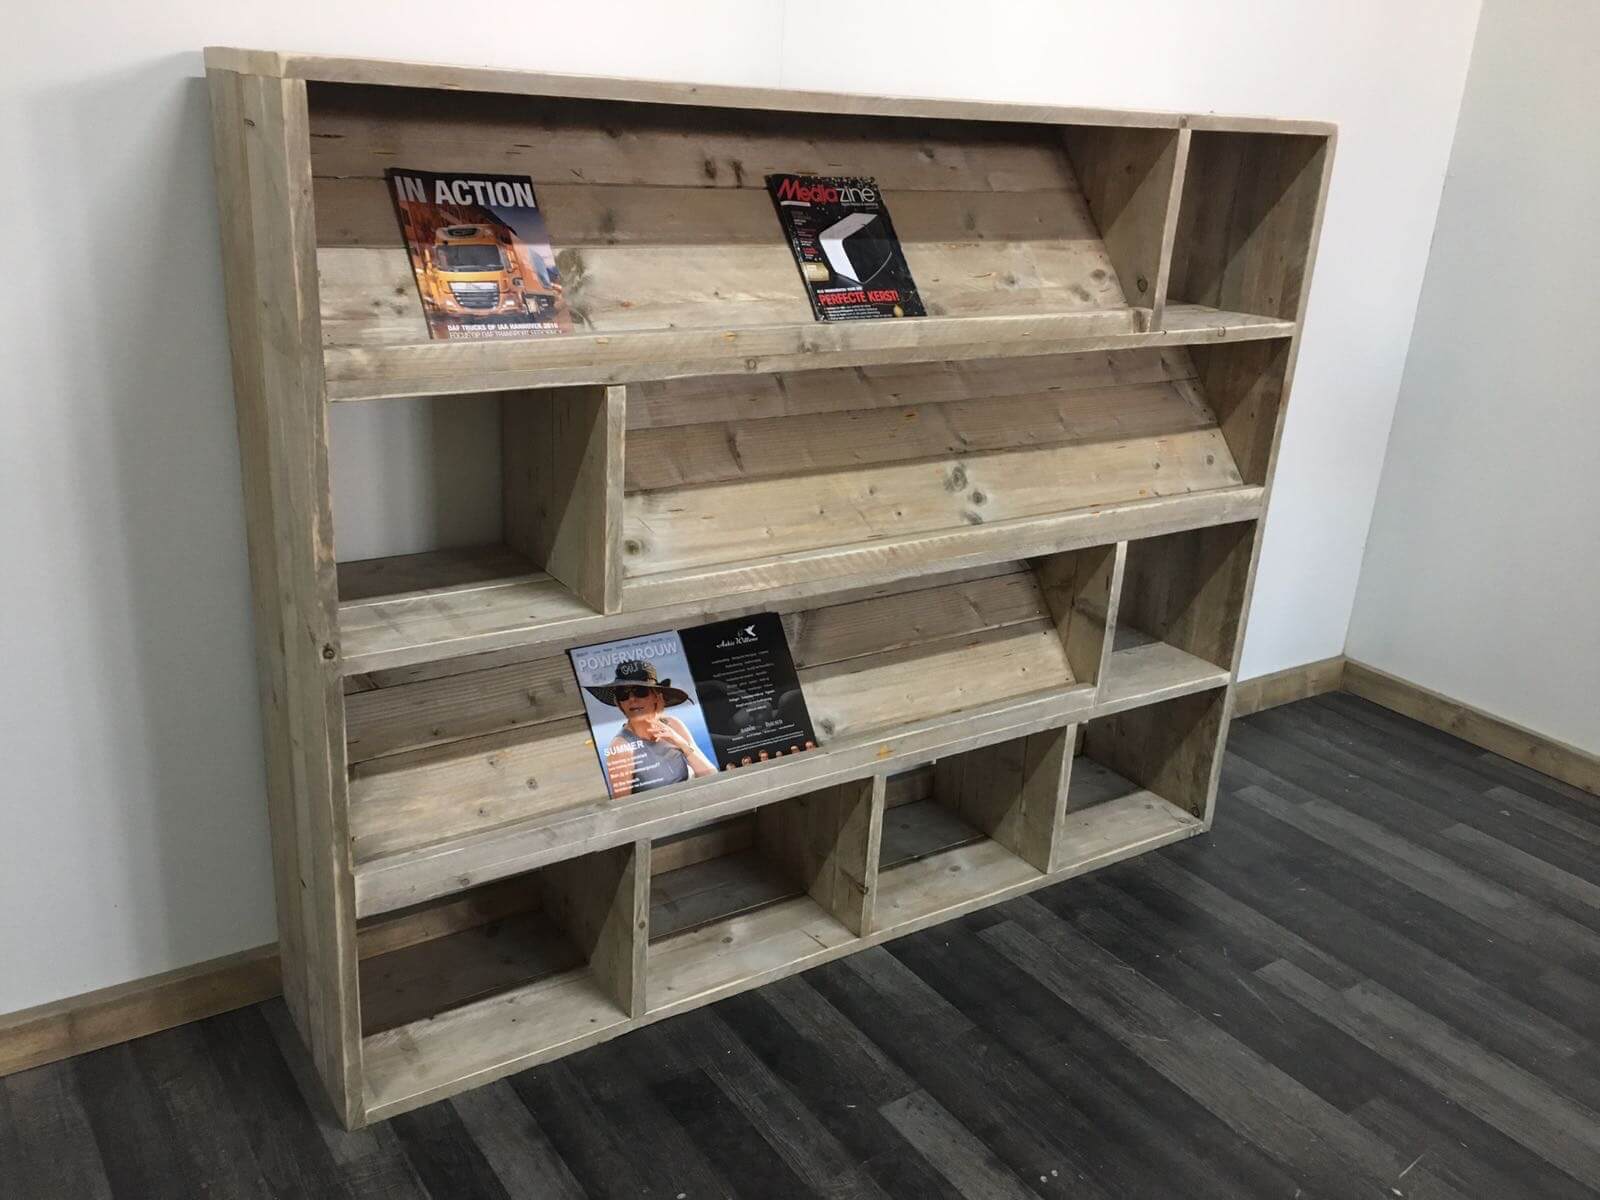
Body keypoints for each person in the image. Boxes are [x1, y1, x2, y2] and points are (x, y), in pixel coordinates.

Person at [583, 659, 715, 797]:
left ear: (656, 696)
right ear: (619, 703)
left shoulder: (673, 725)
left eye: (640, 691)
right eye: (623, 694)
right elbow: (623, 806)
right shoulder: (621, 748)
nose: (632, 699)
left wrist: (681, 744)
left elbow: (712, 776)